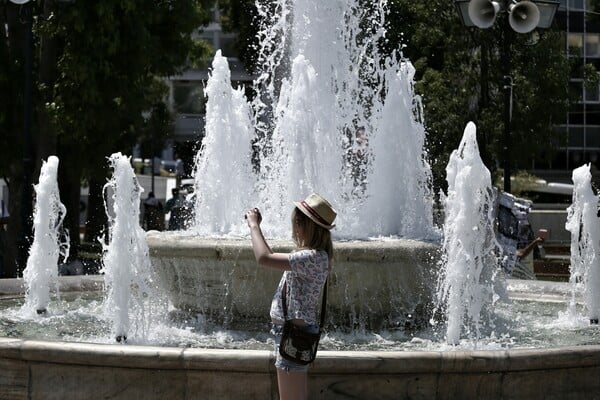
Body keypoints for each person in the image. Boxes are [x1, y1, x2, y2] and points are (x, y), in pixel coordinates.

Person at [245, 193, 336, 400]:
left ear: (304, 226)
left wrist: (253, 225)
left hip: (295, 335)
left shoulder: (312, 257)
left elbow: (263, 258)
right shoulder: (315, 256)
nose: (293, 227)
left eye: (295, 222)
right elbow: (270, 257)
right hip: (293, 333)